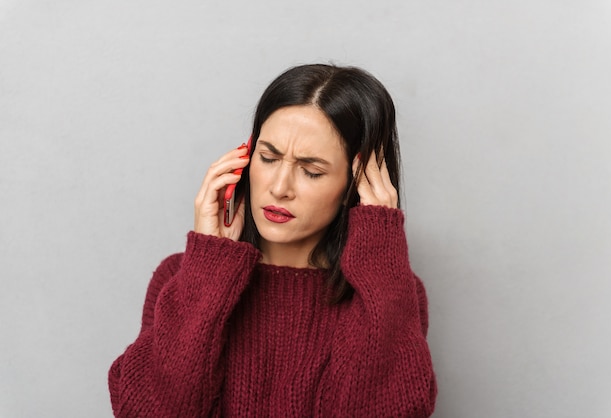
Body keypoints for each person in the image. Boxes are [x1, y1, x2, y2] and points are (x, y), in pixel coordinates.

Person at [108, 63, 437, 417]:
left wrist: (379, 257)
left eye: (311, 171)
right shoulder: (181, 276)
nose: (279, 188)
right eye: (268, 157)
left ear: (354, 186)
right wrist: (208, 267)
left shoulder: (389, 292)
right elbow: (144, 410)